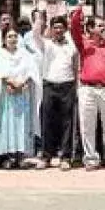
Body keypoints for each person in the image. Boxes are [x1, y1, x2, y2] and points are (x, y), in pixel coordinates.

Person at [70, 0, 105, 171]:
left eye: (104, 26)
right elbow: (74, 27)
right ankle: (91, 158)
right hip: (88, 89)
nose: (103, 28)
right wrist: (80, 6)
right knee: (87, 126)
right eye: (99, 26)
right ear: (91, 28)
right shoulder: (84, 44)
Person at [0, 28, 38, 166]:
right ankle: (8, 156)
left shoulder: (24, 53)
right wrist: (11, 82)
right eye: (9, 36)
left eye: (15, 36)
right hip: (7, 93)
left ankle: (21, 155)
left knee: (22, 122)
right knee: (8, 122)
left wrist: (22, 83)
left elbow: (31, 70)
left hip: (22, 93)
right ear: (4, 38)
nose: (12, 39)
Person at [38, 12, 78, 169]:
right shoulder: (46, 44)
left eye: (61, 27)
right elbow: (36, 33)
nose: (58, 30)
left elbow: (76, 66)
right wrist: (40, 17)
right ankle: (46, 156)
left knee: (67, 122)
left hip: (67, 85)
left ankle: (66, 157)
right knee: (47, 121)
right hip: (49, 85)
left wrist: (77, 85)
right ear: (51, 29)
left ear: (65, 29)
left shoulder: (72, 45)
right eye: (55, 27)